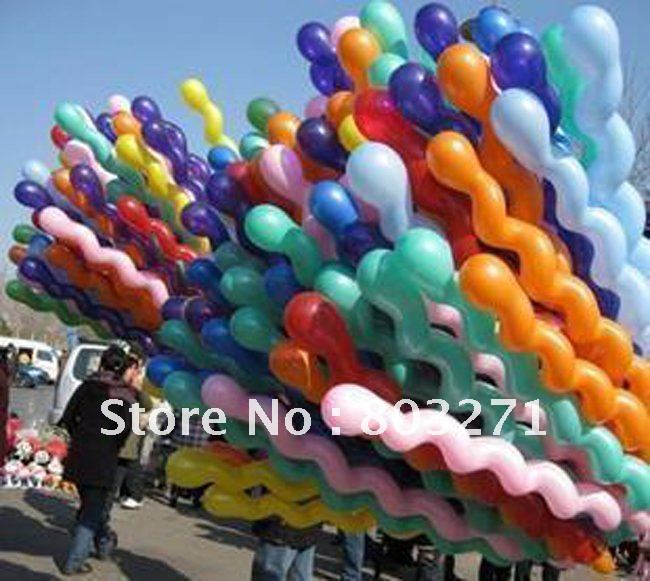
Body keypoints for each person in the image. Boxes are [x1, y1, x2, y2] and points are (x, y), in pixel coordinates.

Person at [59, 343, 144, 575]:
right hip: (104, 458)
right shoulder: (125, 395)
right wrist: (111, 444)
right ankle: (75, 561)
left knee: (90, 506)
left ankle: (105, 544)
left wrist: (80, 436)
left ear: (101, 363)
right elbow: (125, 429)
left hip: (79, 455)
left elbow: (68, 417)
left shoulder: (87, 386)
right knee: (91, 512)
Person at [113, 376, 152, 509]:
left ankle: (134, 495)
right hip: (126, 427)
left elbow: (147, 404)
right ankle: (128, 494)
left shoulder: (136, 385)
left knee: (130, 463)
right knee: (126, 463)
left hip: (134, 427)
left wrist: (138, 388)